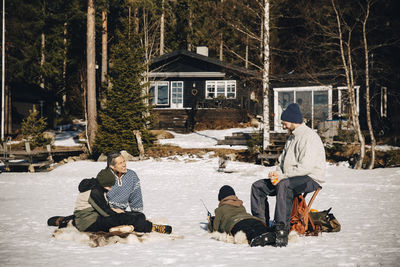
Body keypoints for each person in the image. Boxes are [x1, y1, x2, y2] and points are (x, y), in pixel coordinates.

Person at [250, 103, 325, 246]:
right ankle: (261, 226)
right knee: (258, 186)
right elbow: (282, 162)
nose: (283, 125)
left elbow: (305, 168)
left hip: (311, 178)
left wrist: (282, 177)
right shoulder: (291, 138)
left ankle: (281, 231)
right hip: (290, 177)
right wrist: (276, 173)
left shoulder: (309, 137)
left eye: (284, 122)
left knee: (284, 185)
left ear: (292, 120)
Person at [47, 151, 144, 227]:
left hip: (119, 211)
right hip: (102, 211)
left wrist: (137, 213)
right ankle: (65, 221)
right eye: (120, 163)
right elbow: (98, 198)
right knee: (93, 221)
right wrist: (111, 209)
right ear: (112, 166)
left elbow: (136, 195)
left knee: (138, 218)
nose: (124, 165)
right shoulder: (105, 177)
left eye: (124, 161)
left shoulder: (132, 176)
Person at [73, 168, 171, 234]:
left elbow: (103, 208)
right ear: (103, 183)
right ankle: (151, 227)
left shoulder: (98, 188)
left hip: (95, 217)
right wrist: (119, 214)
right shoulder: (94, 191)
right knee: (123, 217)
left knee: (135, 214)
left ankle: (139, 221)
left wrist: (119, 212)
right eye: (109, 186)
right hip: (88, 223)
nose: (110, 189)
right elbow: (106, 213)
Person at [208, 185, 276, 247]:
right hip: (251, 219)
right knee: (258, 227)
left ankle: (256, 239)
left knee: (247, 230)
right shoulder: (240, 205)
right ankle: (274, 231)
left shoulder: (220, 209)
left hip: (235, 223)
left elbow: (215, 228)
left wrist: (210, 222)